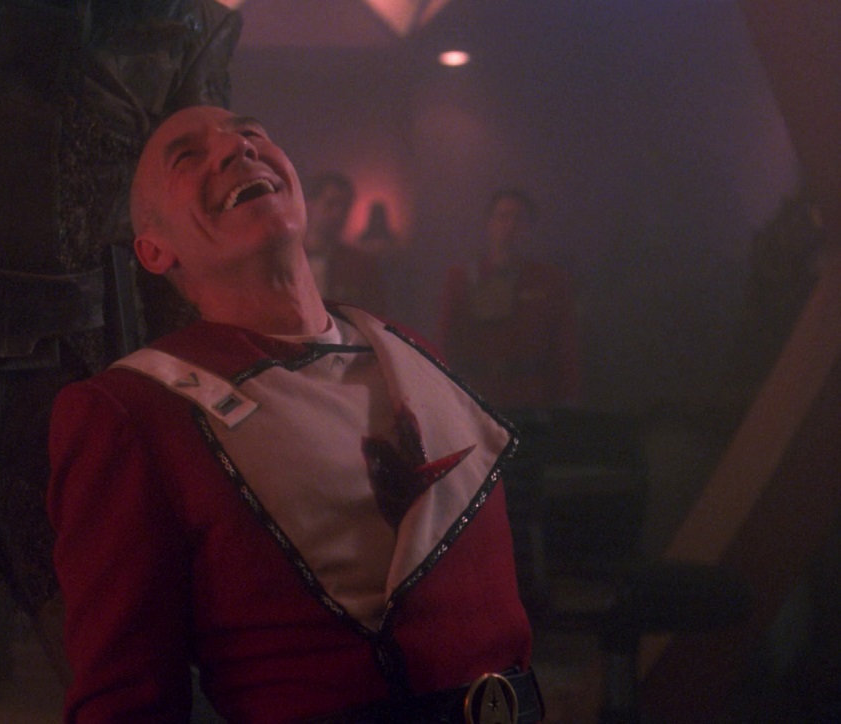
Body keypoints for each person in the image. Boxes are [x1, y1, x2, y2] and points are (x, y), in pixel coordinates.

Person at [46, 105, 543, 723]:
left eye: (250, 132)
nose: (238, 149)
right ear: (153, 250)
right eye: (188, 156)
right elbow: (123, 701)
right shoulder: (132, 411)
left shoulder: (414, 352)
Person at [0, 0, 240, 712]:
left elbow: (190, 242)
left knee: (141, 686)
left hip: (82, 402)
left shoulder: (179, 22)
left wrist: (183, 422)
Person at [438, 188, 580, 410]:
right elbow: (446, 340)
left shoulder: (550, 281)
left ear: (529, 228)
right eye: (503, 217)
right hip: (474, 395)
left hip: (530, 398)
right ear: (489, 223)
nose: (510, 226)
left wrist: (567, 400)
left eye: (519, 219)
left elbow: (563, 347)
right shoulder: (461, 279)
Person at [303, 171, 388, 316]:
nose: (338, 214)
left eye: (345, 206)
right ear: (310, 205)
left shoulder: (360, 265)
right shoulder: (284, 258)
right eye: (331, 203)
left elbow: (376, 317)